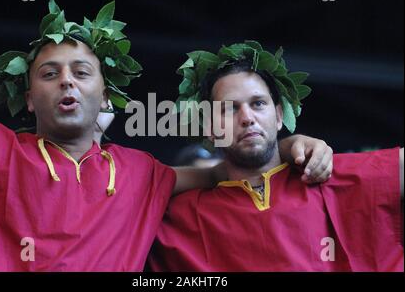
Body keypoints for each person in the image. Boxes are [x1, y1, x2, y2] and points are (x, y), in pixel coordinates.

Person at [0, 0, 332, 271]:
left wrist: (288, 145)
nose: (66, 79)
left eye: (82, 72)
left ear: (105, 96)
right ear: (30, 100)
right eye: (49, 74)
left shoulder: (140, 172)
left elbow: (227, 171)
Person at [148, 41, 404, 272]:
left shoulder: (328, 173)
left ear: (279, 115)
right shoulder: (178, 216)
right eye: (229, 108)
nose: (247, 117)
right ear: (210, 130)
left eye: (258, 103)